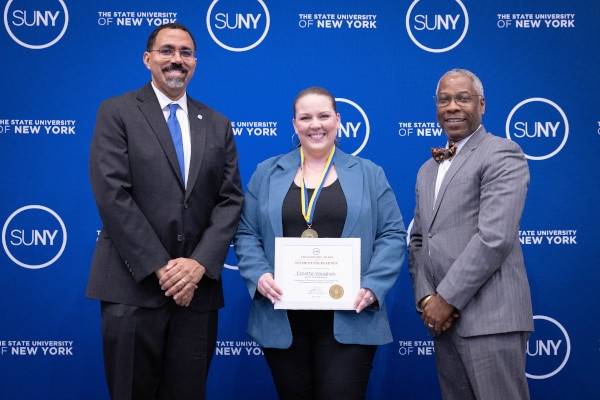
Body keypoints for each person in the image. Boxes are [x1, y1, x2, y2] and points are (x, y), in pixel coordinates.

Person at [86, 23, 244, 400]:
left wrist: (197, 265)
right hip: (132, 287)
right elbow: (112, 194)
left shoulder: (217, 123)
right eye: (167, 50)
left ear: (195, 62)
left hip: (197, 293)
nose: (177, 60)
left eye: (186, 52)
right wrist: (163, 268)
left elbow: (231, 199)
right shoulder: (118, 111)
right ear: (148, 59)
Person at [234, 87, 406, 400]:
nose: (316, 124)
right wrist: (259, 274)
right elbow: (246, 232)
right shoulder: (266, 173)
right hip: (282, 318)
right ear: (294, 124)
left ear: (338, 120)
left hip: (350, 315)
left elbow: (393, 234)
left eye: (324, 116)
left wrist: (373, 285)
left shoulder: (369, 174)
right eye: (306, 117)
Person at [408, 68, 533, 400]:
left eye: (462, 98)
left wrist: (445, 300)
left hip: (491, 319)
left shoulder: (502, 152)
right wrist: (426, 300)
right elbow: (419, 241)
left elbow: (495, 238)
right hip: (443, 323)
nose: (452, 106)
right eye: (444, 99)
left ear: (482, 105)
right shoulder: (427, 169)